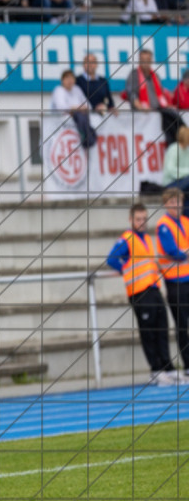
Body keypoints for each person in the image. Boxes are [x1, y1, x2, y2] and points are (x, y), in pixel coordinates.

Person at [106, 203, 177, 386]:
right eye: (138, 219)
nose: (142, 222)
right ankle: (156, 369)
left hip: (153, 288)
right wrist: (125, 269)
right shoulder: (127, 239)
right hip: (139, 292)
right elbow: (112, 259)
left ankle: (167, 367)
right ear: (131, 220)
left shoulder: (146, 238)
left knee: (162, 329)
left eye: (144, 219)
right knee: (149, 332)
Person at [157, 187, 189, 381]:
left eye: (179, 201)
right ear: (166, 204)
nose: (177, 205)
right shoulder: (163, 225)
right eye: (172, 202)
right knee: (182, 325)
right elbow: (172, 251)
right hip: (175, 282)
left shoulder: (185, 221)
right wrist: (185, 253)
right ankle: (187, 364)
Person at [125, 48, 181, 144]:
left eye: (148, 60)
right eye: (143, 60)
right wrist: (141, 107)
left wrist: (167, 105)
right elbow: (132, 95)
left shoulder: (155, 75)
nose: (145, 62)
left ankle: (181, 138)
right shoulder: (134, 75)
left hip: (158, 111)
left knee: (173, 118)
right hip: (143, 114)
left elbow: (161, 94)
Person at [51, 69, 95, 148]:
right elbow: (61, 107)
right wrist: (76, 108)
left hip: (79, 122)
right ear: (62, 80)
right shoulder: (59, 90)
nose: (69, 81)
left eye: (71, 78)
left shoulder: (77, 89)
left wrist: (82, 108)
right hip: (61, 127)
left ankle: (87, 137)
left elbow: (89, 106)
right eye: (67, 78)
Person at [163, 126, 189, 191]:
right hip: (171, 183)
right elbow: (171, 170)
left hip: (183, 180)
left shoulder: (187, 150)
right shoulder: (174, 149)